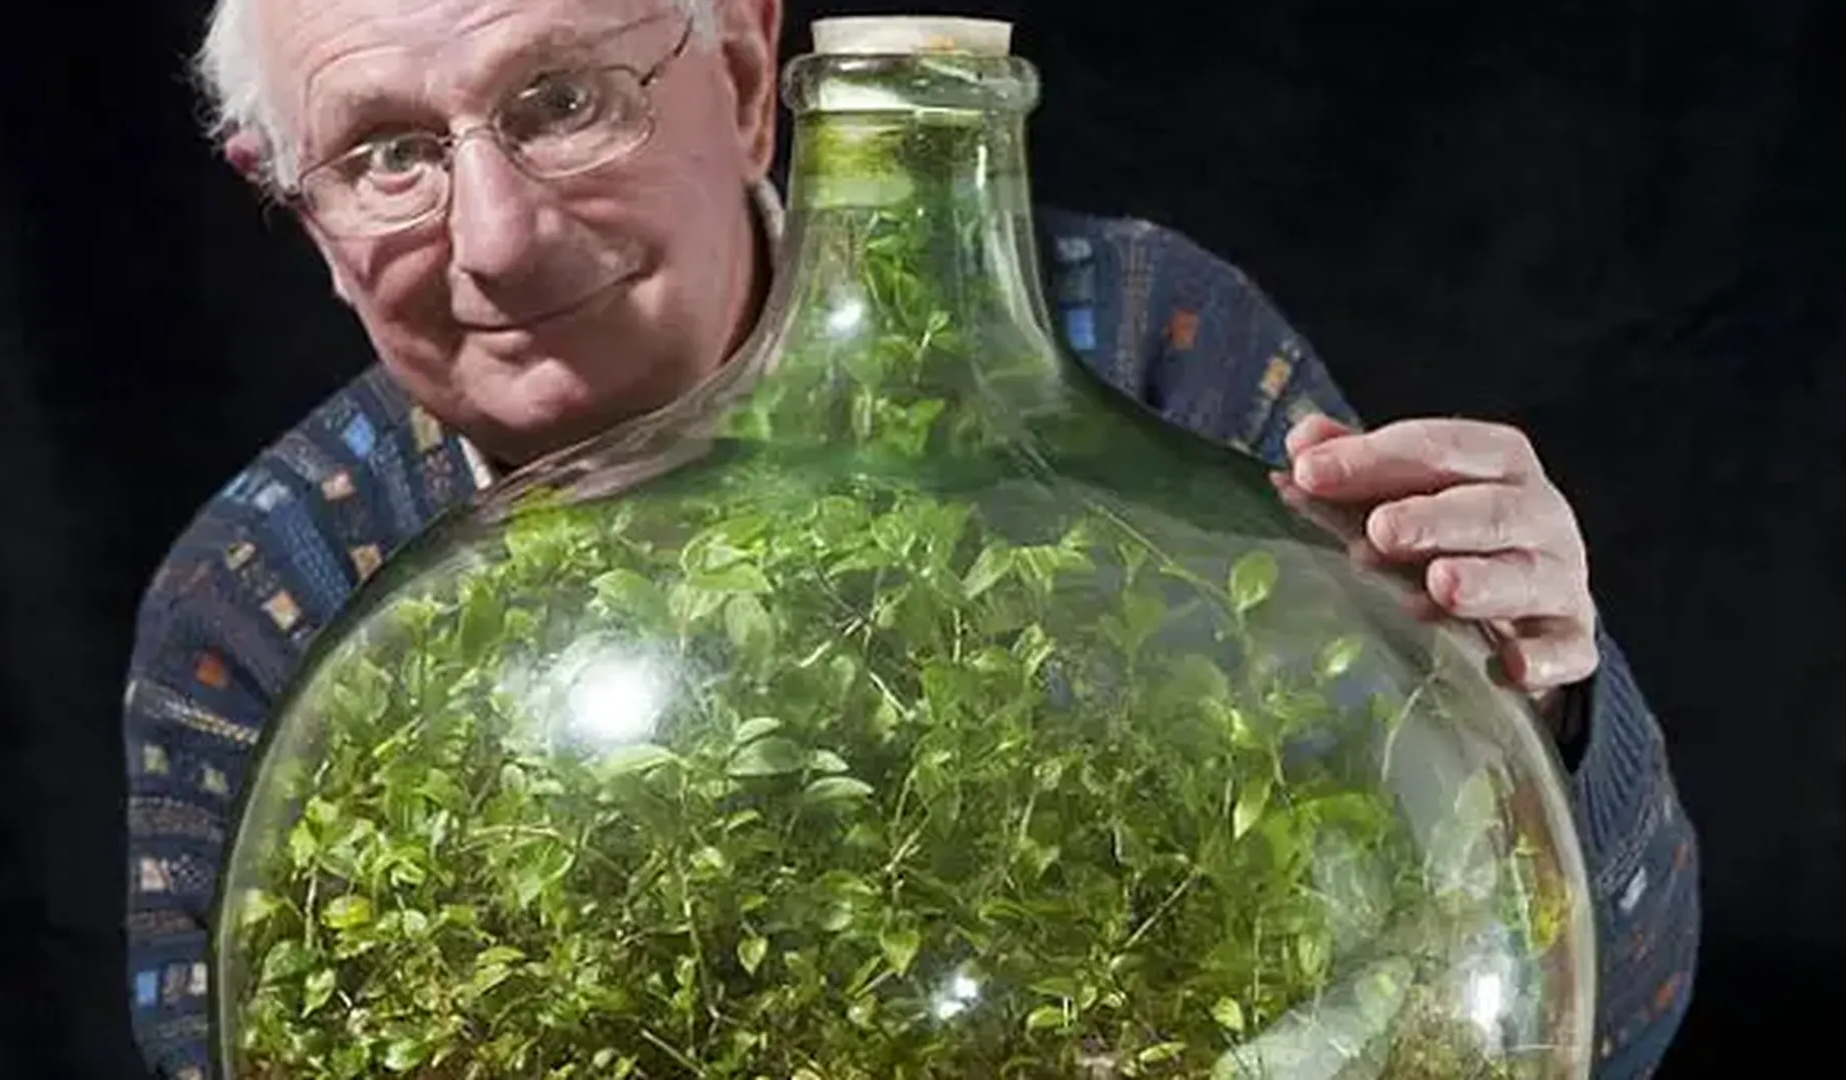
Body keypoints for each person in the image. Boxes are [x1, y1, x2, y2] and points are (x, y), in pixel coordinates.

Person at [121, 0, 1700, 1076]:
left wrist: (1527, 700)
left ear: (749, 71)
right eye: (387, 153)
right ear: (292, 200)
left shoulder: (1152, 353)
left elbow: (1587, 1022)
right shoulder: (277, 592)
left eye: (562, 100)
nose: (501, 234)